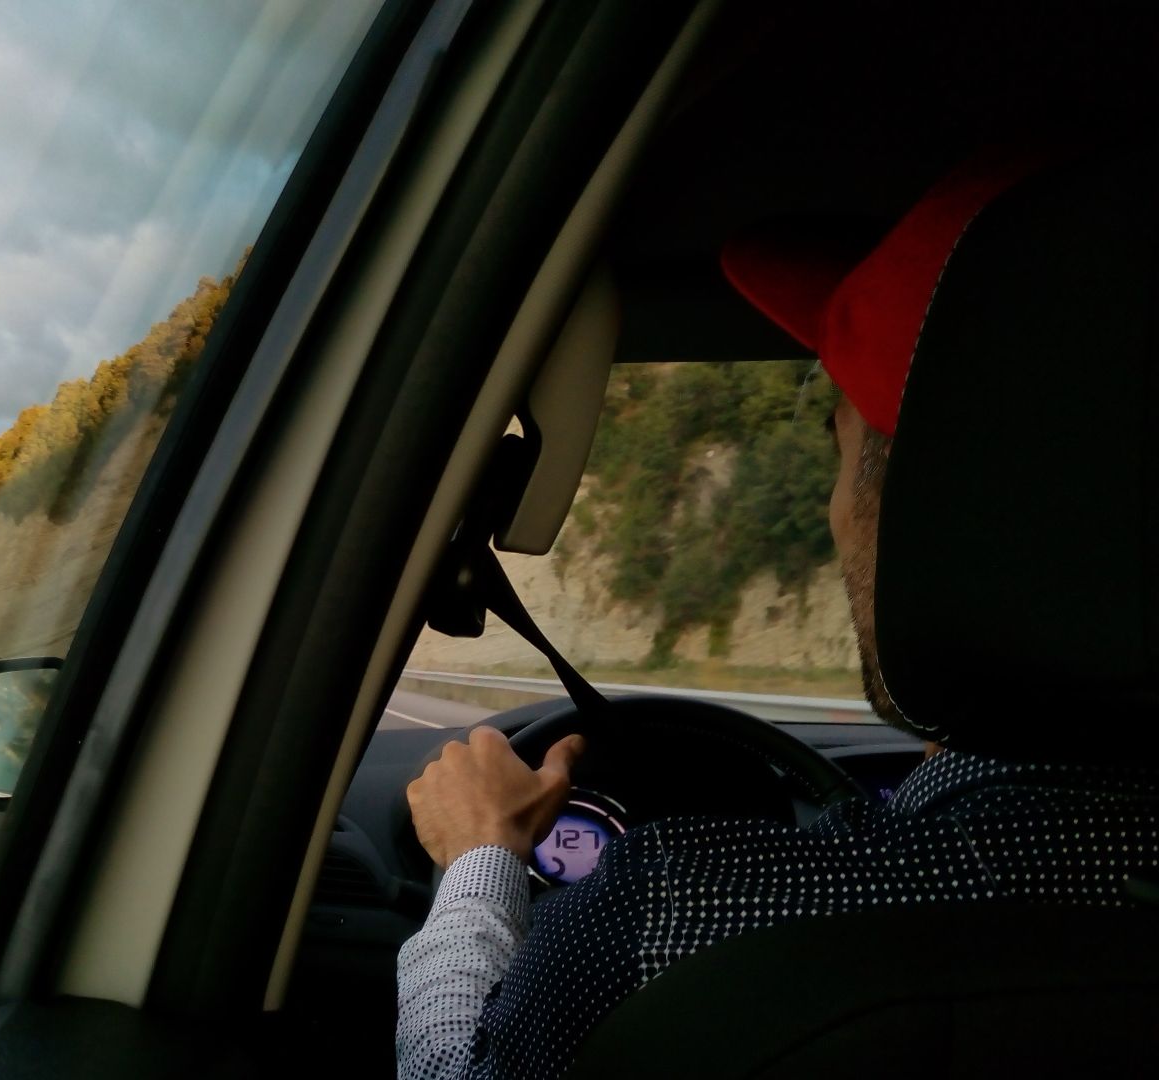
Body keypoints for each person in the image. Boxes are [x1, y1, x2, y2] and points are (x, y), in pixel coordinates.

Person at [395, 150, 1159, 1079]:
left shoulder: (668, 921)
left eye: (836, 436)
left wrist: (479, 865)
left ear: (941, 512)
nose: (836, 508)